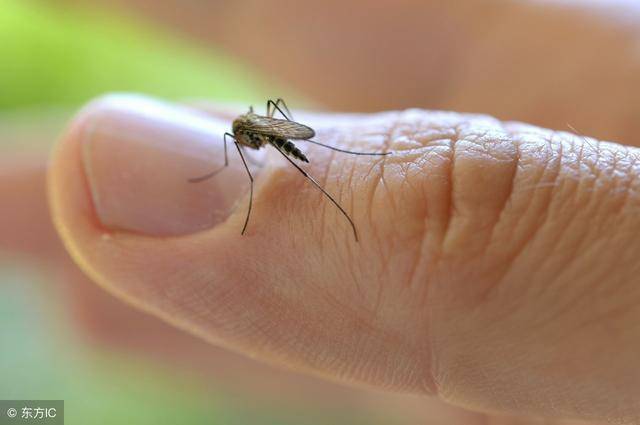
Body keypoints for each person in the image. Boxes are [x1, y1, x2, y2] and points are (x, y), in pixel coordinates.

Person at [4, 1, 640, 423]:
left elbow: (260, 134)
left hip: (296, 134)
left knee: (294, 161)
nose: (241, 141)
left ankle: (325, 171)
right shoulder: (245, 131)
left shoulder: (256, 130)